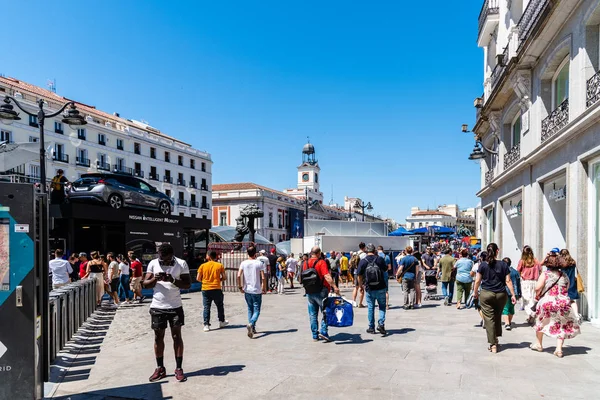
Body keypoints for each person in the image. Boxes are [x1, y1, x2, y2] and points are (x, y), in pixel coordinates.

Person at [143, 243, 191, 382]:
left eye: (166, 259)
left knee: (177, 337)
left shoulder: (181, 263)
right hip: (158, 306)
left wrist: (172, 280)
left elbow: (187, 284)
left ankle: (179, 368)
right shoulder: (153, 263)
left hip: (175, 306)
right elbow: (145, 284)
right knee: (158, 337)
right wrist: (155, 279)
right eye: (161, 259)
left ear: (172, 255)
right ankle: (160, 368)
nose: (164, 262)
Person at [529, 258, 581, 358]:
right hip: (562, 302)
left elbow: (537, 287)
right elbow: (567, 287)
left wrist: (538, 293)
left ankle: (539, 344)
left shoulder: (545, 274)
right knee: (562, 324)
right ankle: (559, 349)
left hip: (548, 301)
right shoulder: (564, 275)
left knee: (541, 321)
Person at [473, 243, 517, 353]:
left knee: (489, 318)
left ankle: (493, 344)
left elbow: (478, 280)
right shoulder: (503, 265)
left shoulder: (482, 265)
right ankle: (496, 338)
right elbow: (508, 281)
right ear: (498, 251)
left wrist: (475, 293)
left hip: (487, 293)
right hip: (501, 294)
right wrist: (513, 294)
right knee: (497, 316)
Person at [300, 246, 339, 342]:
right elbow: (327, 276)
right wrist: (335, 287)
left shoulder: (305, 263)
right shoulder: (321, 262)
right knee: (325, 312)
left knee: (312, 314)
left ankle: (314, 335)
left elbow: (300, 277)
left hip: (309, 291)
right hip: (321, 291)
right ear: (318, 253)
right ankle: (324, 331)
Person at [357, 243, 388, 335]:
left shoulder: (363, 261)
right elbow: (386, 269)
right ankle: (381, 324)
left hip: (369, 287)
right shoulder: (380, 259)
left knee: (371, 307)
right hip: (381, 286)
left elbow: (359, 275)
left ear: (367, 250)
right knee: (382, 306)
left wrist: (360, 286)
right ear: (374, 250)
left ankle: (371, 327)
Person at [237, 245, 267, 338]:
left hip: (247, 289)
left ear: (247, 253)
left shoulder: (243, 263)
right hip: (256, 289)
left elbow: (238, 275)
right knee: (257, 309)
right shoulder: (259, 263)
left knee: (250, 308)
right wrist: (264, 287)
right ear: (255, 253)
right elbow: (263, 277)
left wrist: (240, 287)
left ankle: (252, 327)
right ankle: (251, 323)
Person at [197, 250, 227, 332]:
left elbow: (198, 278)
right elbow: (224, 277)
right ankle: (221, 321)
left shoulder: (202, 266)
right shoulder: (219, 265)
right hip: (216, 288)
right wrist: (218, 280)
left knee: (207, 307)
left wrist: (205, 281)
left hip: (205, 288)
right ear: (216, 256)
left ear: (208, 257)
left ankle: (206, 325)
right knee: (220, 305)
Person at [517, 245, 542, 324]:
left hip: (525, 282)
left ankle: (531, 313)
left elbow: (518, 270)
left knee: (526, 299)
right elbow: (540, 269)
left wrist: (522, 274)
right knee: (533, 299)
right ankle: (531, 317)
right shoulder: (536, 261)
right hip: (535, 281)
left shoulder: (522, 261)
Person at [558, 249, 581, 321]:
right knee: (572, 301)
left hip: (563, 283)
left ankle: (563, 316)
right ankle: (576, 315)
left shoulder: (561, 263)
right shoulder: (572, 262)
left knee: (561, 300)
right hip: (572, 283)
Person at [502, 257, 521, 331]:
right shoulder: (515, 272)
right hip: (515, 292)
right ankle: (509, 322)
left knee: (505, 308)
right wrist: (519, 293)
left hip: (505, 292)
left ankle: (507, 323)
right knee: (511, 308)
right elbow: (518, 283)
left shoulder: (503, 271)